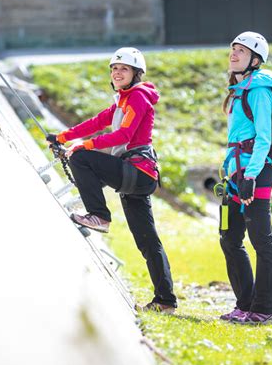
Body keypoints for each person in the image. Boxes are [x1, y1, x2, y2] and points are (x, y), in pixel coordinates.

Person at [47, 47, 177, 313]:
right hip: (134, 174)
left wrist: (84, 146)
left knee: (81, 159)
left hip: (137, 172)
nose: (118, 72)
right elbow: (97, 122)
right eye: (114, 68)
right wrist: (63, 137)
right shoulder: (123, 100)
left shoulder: (138, 97)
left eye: (124, 69)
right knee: (147, 240)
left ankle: (99, 215)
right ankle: (165, 301)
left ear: (136, 74)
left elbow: (124, 135)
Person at [219, 31, 272, 324]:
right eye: (233, 49)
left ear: (255, 60)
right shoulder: (239, 89)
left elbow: (264, 138)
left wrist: (251, 176)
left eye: (241, 51)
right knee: (228, 236)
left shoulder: (259, 90)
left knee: (261, 239)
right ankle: (244, 303)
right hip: (235, 175)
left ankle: (264, 308)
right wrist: (233, 172)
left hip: (255, 174)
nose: (234, 54)